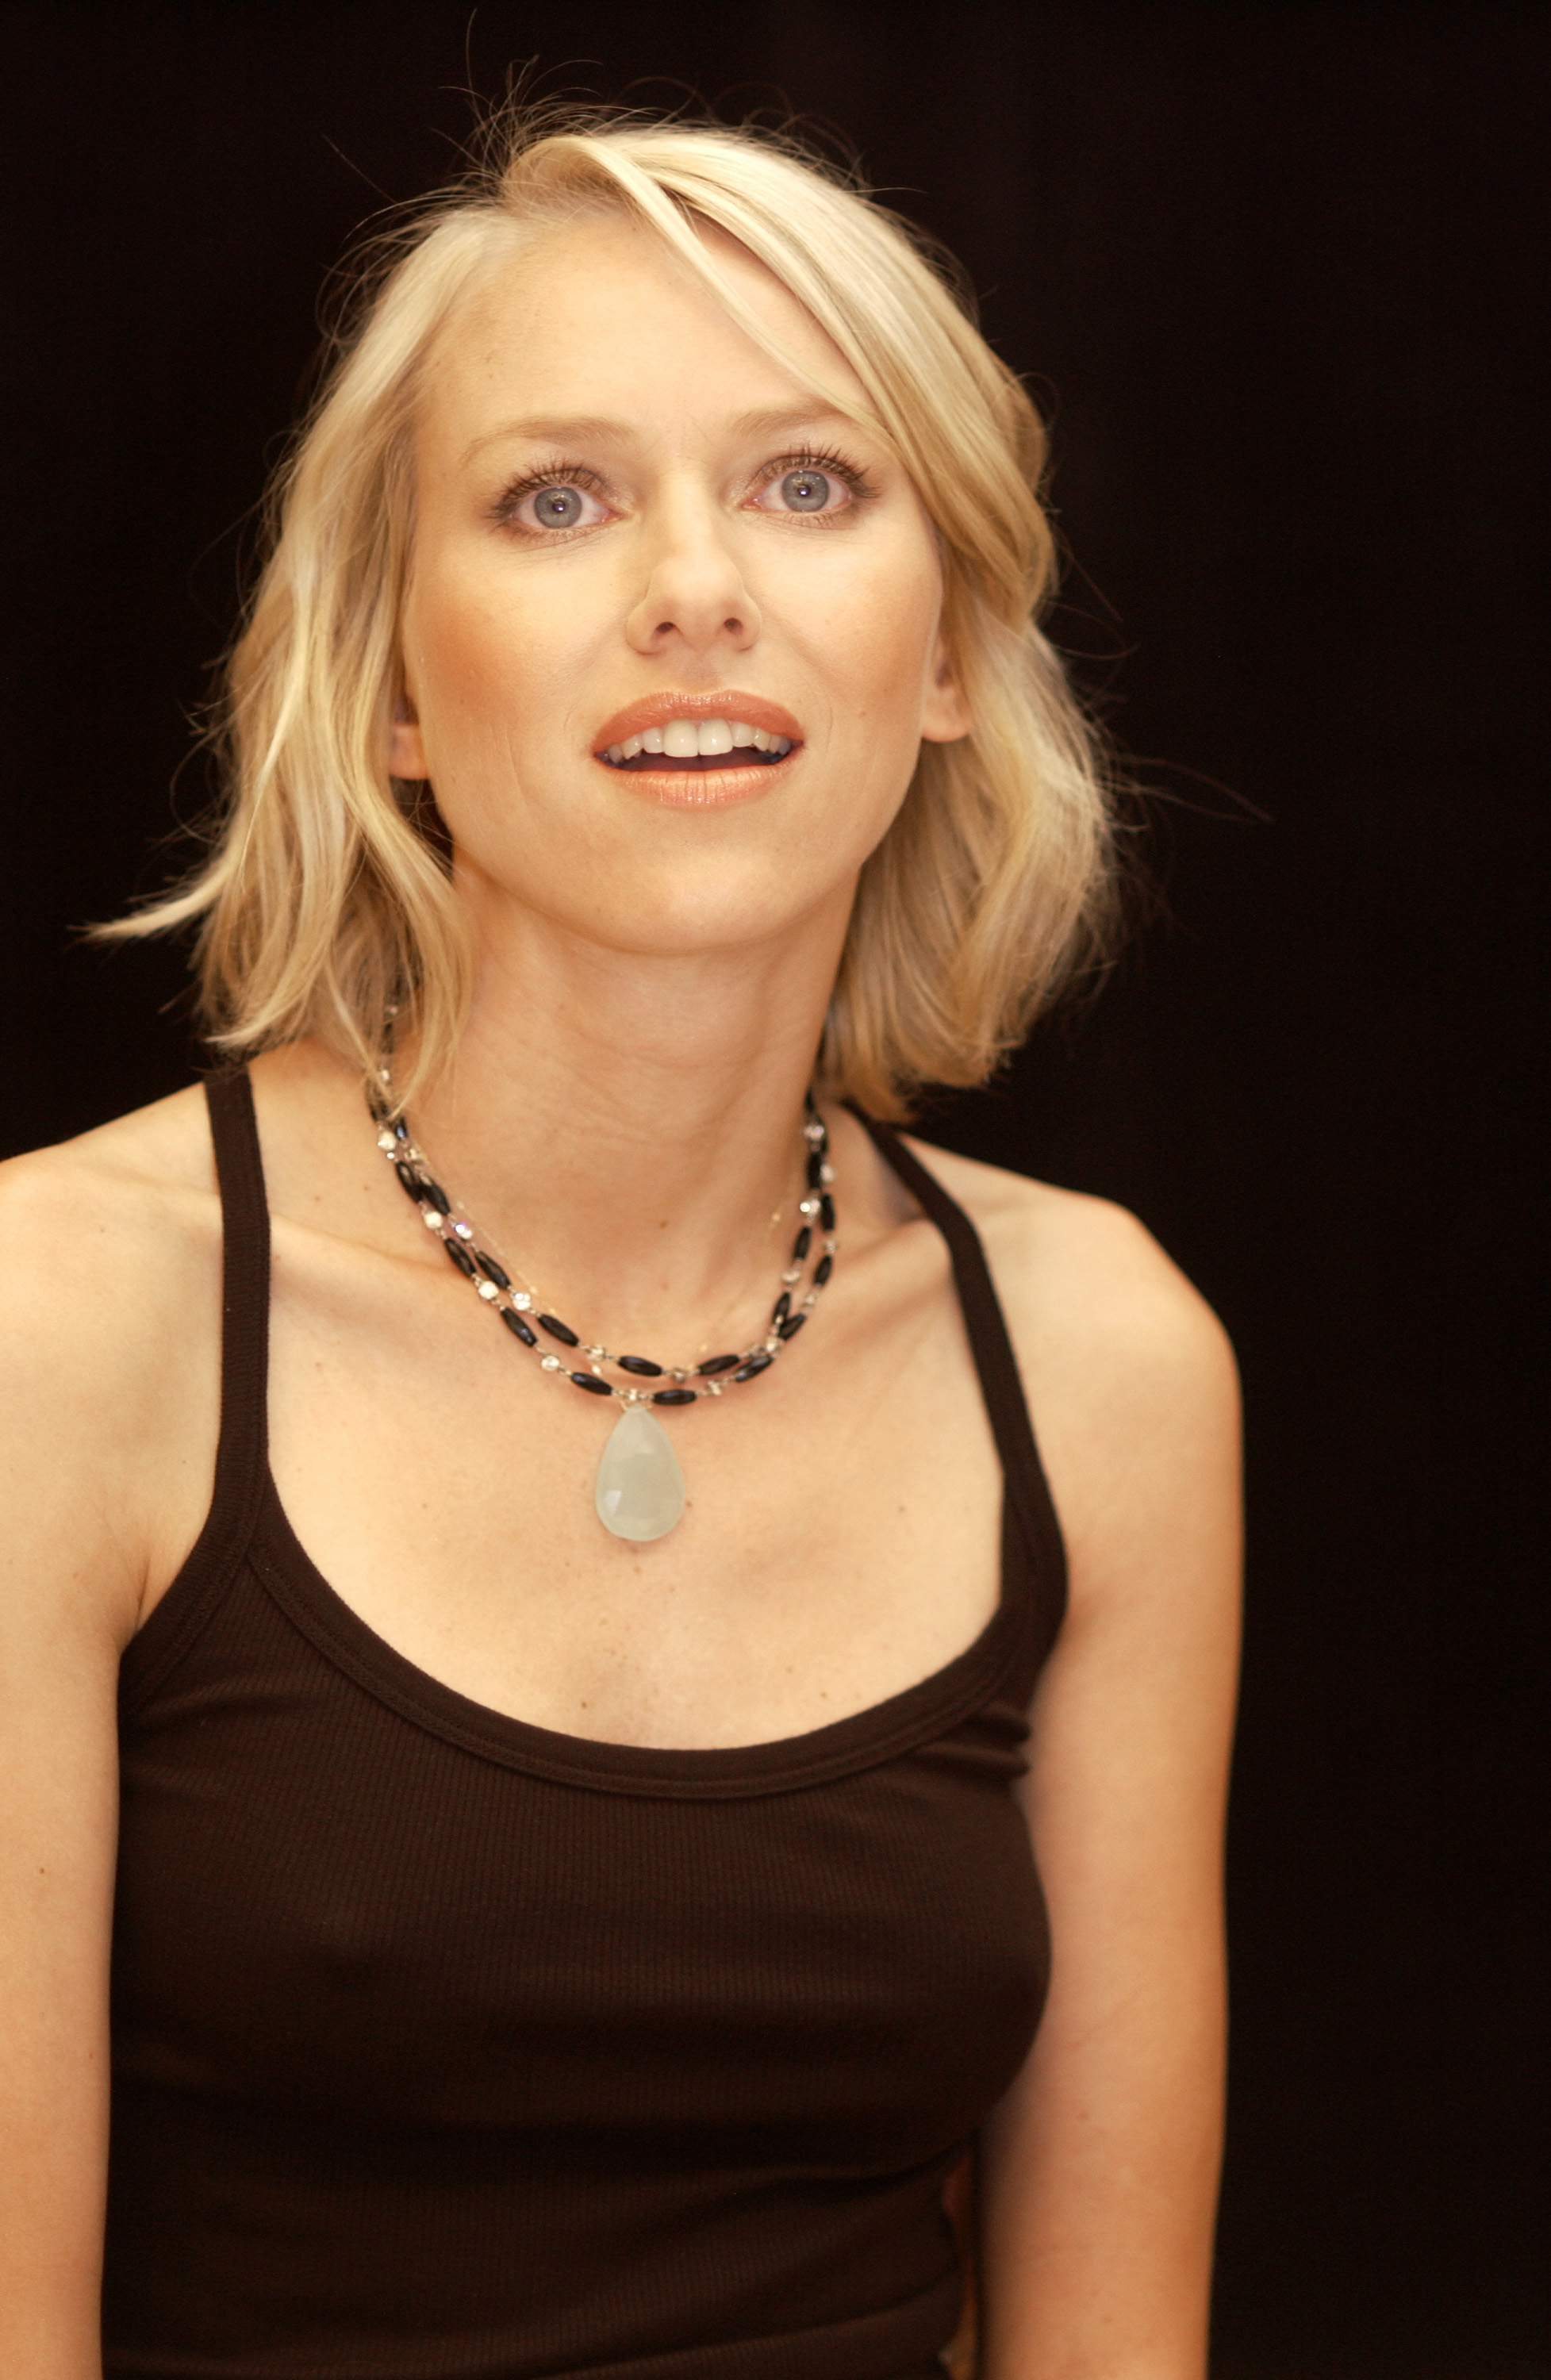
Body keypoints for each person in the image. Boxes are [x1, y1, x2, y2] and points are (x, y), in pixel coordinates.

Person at [0, 109, 1241, 2380]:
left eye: (809, 483)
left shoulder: (1102, 1358)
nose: (694, 587)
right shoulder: (56, 1326)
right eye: (555, 500)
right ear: (388, 684)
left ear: (950, 651)